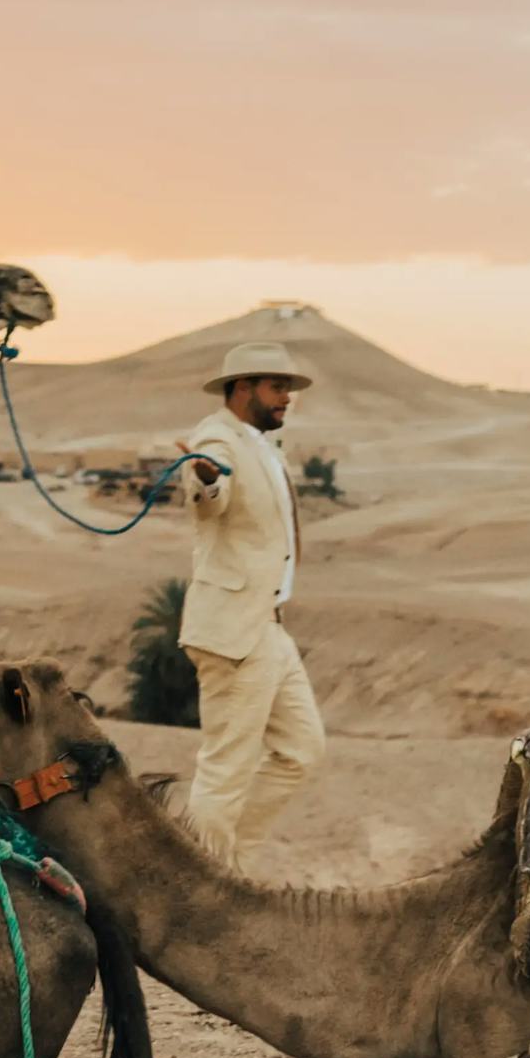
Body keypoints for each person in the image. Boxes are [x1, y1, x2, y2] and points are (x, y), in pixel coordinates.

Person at [168, 340, 326, 862]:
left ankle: (234, 861)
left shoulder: (262, 444)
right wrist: (206, 479)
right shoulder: (217, 437)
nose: (287, 398)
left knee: (302, 752)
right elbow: (208, 486)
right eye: (277, 387)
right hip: (234, 631)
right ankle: (203, 883)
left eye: (288, 388)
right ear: (243, 388)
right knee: (225, 770)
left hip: (268, 626)